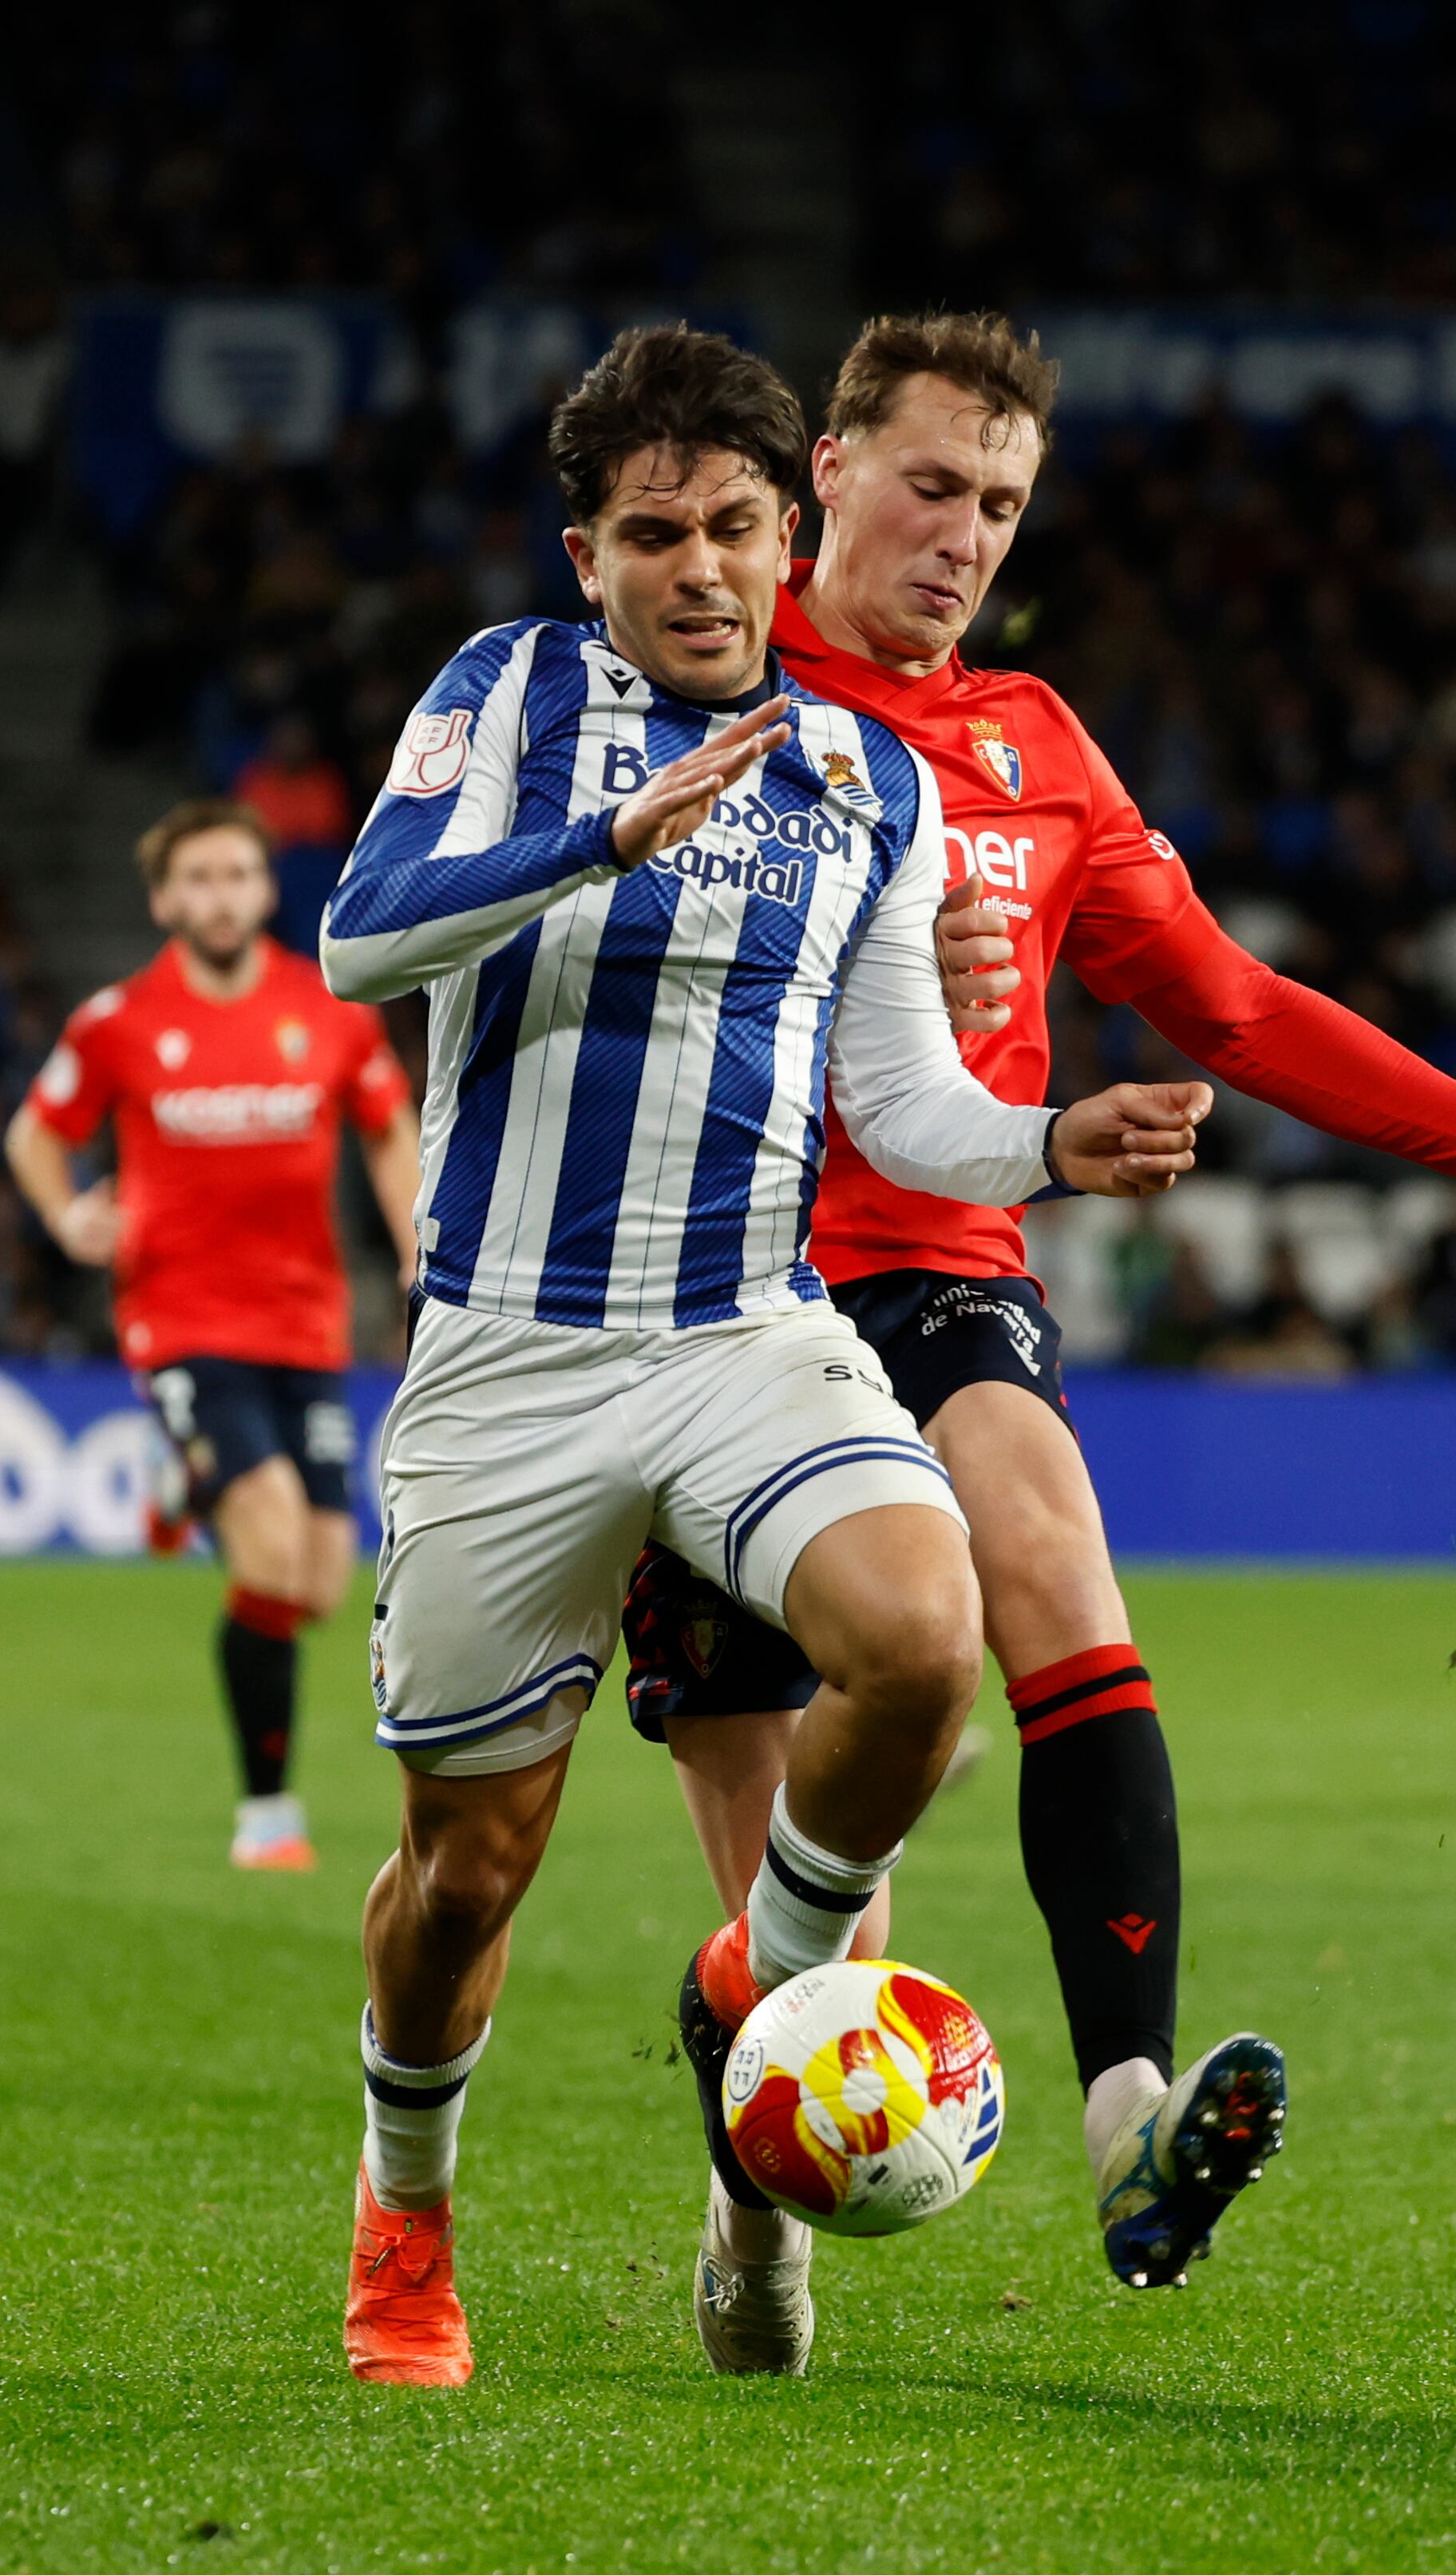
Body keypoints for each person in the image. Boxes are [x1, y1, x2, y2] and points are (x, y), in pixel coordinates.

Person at [619, 311, 1456, 2339]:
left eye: (1002, 503)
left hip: (943, 1267)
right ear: (825, 484)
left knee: (1049, 1554)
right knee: (818, 1934)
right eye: (935, 485)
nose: (964, 534)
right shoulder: (691, 691)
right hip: (700, 1305)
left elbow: (1229, 1002)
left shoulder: (1034, 748)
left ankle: (1130, 2113)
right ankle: (756, 2223)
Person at [305, 325, 1212, 2389]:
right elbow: (359, 938)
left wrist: (1051, 1145)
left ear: (781, 530)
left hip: (744, 1332)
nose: (698, 567)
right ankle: (402, 2220)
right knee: (464, 1876)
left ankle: (763, 1968)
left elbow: (902, 1112)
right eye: (651, 536)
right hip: (510, 1358)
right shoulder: (503, 696)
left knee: (922, 1639)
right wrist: (598, 844)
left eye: (731, 527)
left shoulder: (860, 778)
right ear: (587, 558)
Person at [8, 799, 419, 1872]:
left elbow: (386, 1129)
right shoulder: (120, 1020)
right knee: (273, 1536)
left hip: (305, 1318)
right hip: (181, 1316)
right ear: (162, 898)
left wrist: (414, 1239)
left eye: (236, 875)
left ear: (264, 888)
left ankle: (180, 1481)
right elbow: (34, 1132)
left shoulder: (326, 1010)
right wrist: (65, 1214)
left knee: (320, 1580)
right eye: (196, 879)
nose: (219, 896)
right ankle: (267, 1815)